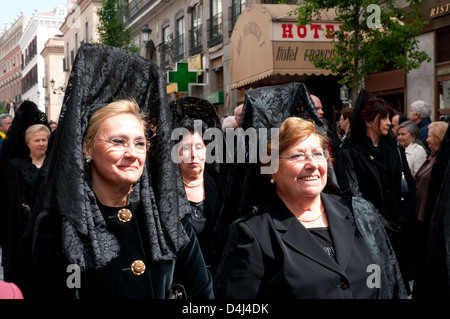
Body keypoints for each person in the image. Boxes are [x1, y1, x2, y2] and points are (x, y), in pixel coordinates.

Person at [28, 44, 213, 299]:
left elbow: (202, 294)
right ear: (86, 148)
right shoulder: (59, 230)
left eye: (139, 143)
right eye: (118, 141)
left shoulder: (168, 216)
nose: (132, 153)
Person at [214, 117, 406, 299]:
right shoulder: (252, 234)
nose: (313, 164)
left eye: (317, 153)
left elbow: (392, 283)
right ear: (271, 168)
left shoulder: (360, 214)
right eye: (297, 155)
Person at [336, 90, 416, 294]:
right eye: (384, 118)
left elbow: (409, 185)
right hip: (368, 234)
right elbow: (352, 195)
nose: (390, 123)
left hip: (399, 231)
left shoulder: (394, 149)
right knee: (376, 287)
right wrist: (380, 223)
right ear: (368, 121)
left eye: (390, 118)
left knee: (400, 286)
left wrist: (405, 218)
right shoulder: (350, 153)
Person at [0, 102, 50, 285]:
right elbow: (12, 202)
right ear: (27, 141)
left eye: (44, 140)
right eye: (37, 140)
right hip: (22, 228)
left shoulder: (53, 164)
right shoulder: (15, 165)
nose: (41, 144)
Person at [174, 117, 226, 275]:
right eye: (186, 148)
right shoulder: (166, 193)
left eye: (198, 147)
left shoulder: (223, 188)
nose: (193, 155)